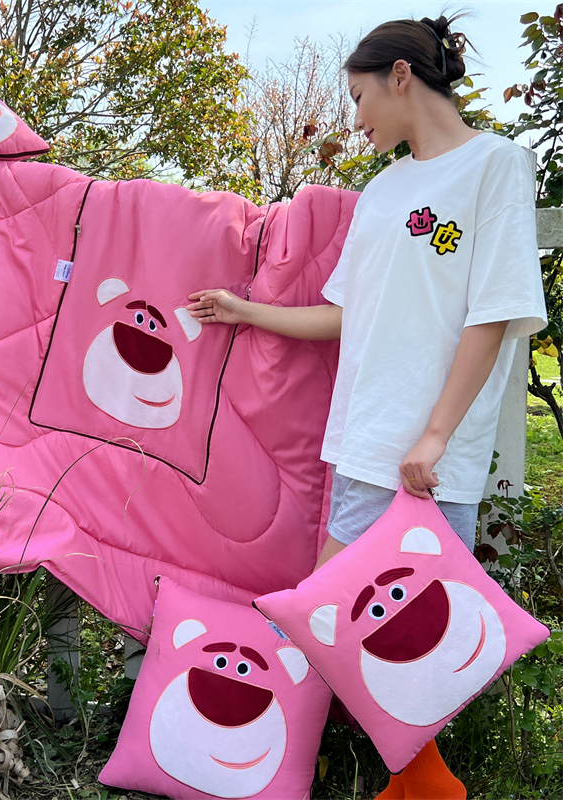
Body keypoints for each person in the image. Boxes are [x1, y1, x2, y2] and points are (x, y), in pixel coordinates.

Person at [187, 14, 547, 800]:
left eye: (357, 97)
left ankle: (409, 781)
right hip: (364, 439)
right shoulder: (383, 191)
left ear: (401, 76)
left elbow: (492, 312)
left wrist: (437, 434)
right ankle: (408, 779)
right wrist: (245, 312)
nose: (355, 120)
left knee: (410, 628)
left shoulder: (495, 165)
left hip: (430, 454)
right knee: (340, 621)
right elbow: (344, 315)